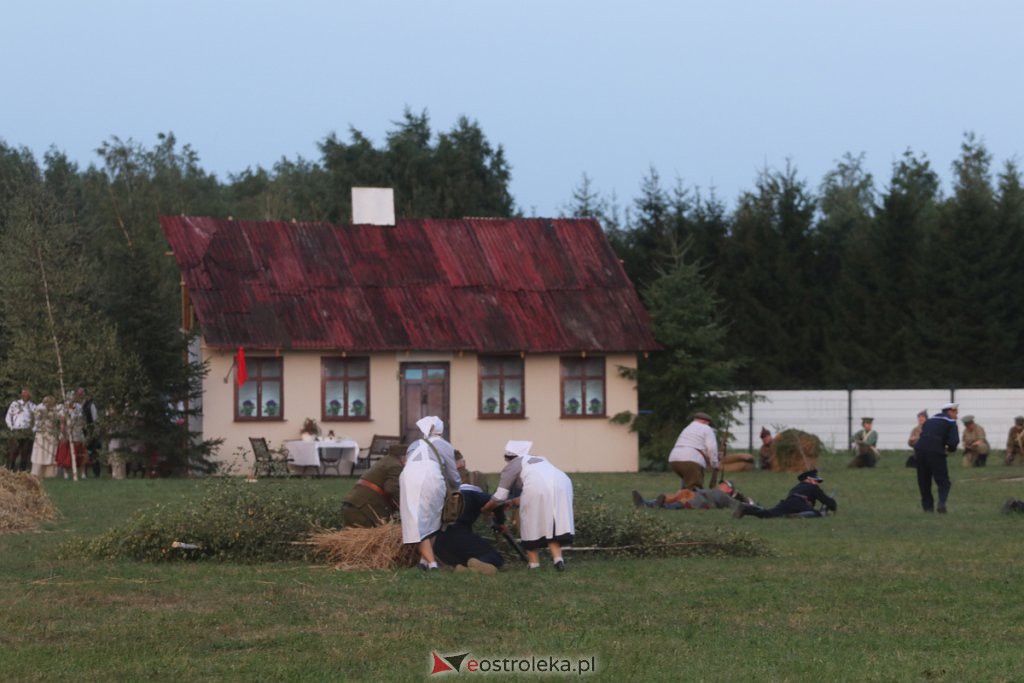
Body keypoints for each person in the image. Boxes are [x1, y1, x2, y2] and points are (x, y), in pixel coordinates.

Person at [482, 440, 574, 571]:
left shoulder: (512, 466)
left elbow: (500, 495)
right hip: (563, 483)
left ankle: (534, 564)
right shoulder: (540, 459)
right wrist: (512, 502)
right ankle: (558, 559)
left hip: (537, 487)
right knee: (551, 523)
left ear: (509, 457)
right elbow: (537, 489)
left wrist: (486, 508)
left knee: (530, 524)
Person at [399, 416, 460, 571]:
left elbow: (408, 462)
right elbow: (453, 474)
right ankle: (432, 564)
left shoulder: (414, 444)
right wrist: (457, 487)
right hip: (431, 477)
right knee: (432, 519)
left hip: (408, 477)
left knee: (417, 519)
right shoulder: (445, 445)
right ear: (440, 431)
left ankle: (423, 562)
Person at [434, 478, 506, 574]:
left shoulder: (447, 494)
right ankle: (475, 567)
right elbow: (497, 503)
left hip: (438, 540)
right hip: (459, 535)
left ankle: (460, 567)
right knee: (496, 558)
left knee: (461, 555)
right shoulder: (475, 494)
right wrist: (500, 522)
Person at [341, 443, 405, 528]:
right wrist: (405, 507)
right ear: (404, 456)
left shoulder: (386, 460)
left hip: (353, 505)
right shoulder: (396, 466)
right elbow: (391, 488)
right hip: (363, 510)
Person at [914, 402, 960, 513]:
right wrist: (950, 449)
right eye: (956, 412)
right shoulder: (951, 422)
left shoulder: (929, 421)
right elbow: (954, 441)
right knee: (943, 481)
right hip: (936, 451)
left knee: (924, 480)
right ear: (950, 411)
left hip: (919, 450)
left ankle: (928, 508)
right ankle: (941, 503)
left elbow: (922, 435)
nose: (957, 415)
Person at [733, 469, 837, 519]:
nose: (817, 483)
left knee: (767, 514)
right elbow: (827, 501)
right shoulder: (813, 487)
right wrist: (832, 505)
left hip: (787, 502)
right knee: (817, 514)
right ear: (808, 480)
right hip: (800, 504)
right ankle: (799, 516)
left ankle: (746, 508)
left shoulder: (796, 488)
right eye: (816, 481)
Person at [667, 412, 719, 490]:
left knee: (686, 486)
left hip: (674, 460)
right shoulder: (706, 428)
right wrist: (715, 464)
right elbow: (711, 448)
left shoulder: (687, 428)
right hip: (691, 460)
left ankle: (680, 499)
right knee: (695, 490)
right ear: (705, 422)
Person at [632, 479, 754, 510]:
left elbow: (738, 505)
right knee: (678, 495)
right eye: (721, 483)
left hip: (701, 501)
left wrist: (749, 502)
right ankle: (645, 503)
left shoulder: (726, 498)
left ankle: (658, 505)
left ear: (729, 490)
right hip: (695, 494)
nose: (721, 485)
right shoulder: (714, 490)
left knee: (679, 501)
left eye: (725, 485)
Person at [55, 392, 90, 479]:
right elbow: (62, 423)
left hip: (78, 432)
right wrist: (64, 434)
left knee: (81, 453)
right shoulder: (62, 408)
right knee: (67, 454)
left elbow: (82, 420)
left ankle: (82, 473)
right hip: (68, 433)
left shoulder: (78, 407)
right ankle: (66, 473)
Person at [5, 388, 35, 471]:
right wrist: (11, 426)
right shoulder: (15, 404)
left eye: (26, 393)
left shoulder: (32, 406)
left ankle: (22, 470)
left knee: (25, 451)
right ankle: (10, 468)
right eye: (23, 393)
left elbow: (36, 419)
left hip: (27, 431)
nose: (25, 395)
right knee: (14, 450)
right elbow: (8, 416)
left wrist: (33, 429)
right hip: (17, 430)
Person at [30, 396, 58, 478]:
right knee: (39, 453)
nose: (47, 404)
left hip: (51, 433)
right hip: (41, 433)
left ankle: (49, 473)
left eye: (49, 402)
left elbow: (56, 420)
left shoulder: (55, 409)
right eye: (46, 402)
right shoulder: (39, 408)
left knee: (50, 453)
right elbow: (37, 420)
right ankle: (37, 472)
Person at [79, 389, 102, 478]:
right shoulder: (78, 406)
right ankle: (84, 473)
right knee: (83, 452)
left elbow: (95, 419)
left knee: (93, 451)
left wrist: (95, 431)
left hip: (90, 431)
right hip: (80, 432)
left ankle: (96, 472)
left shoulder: (90, 405)